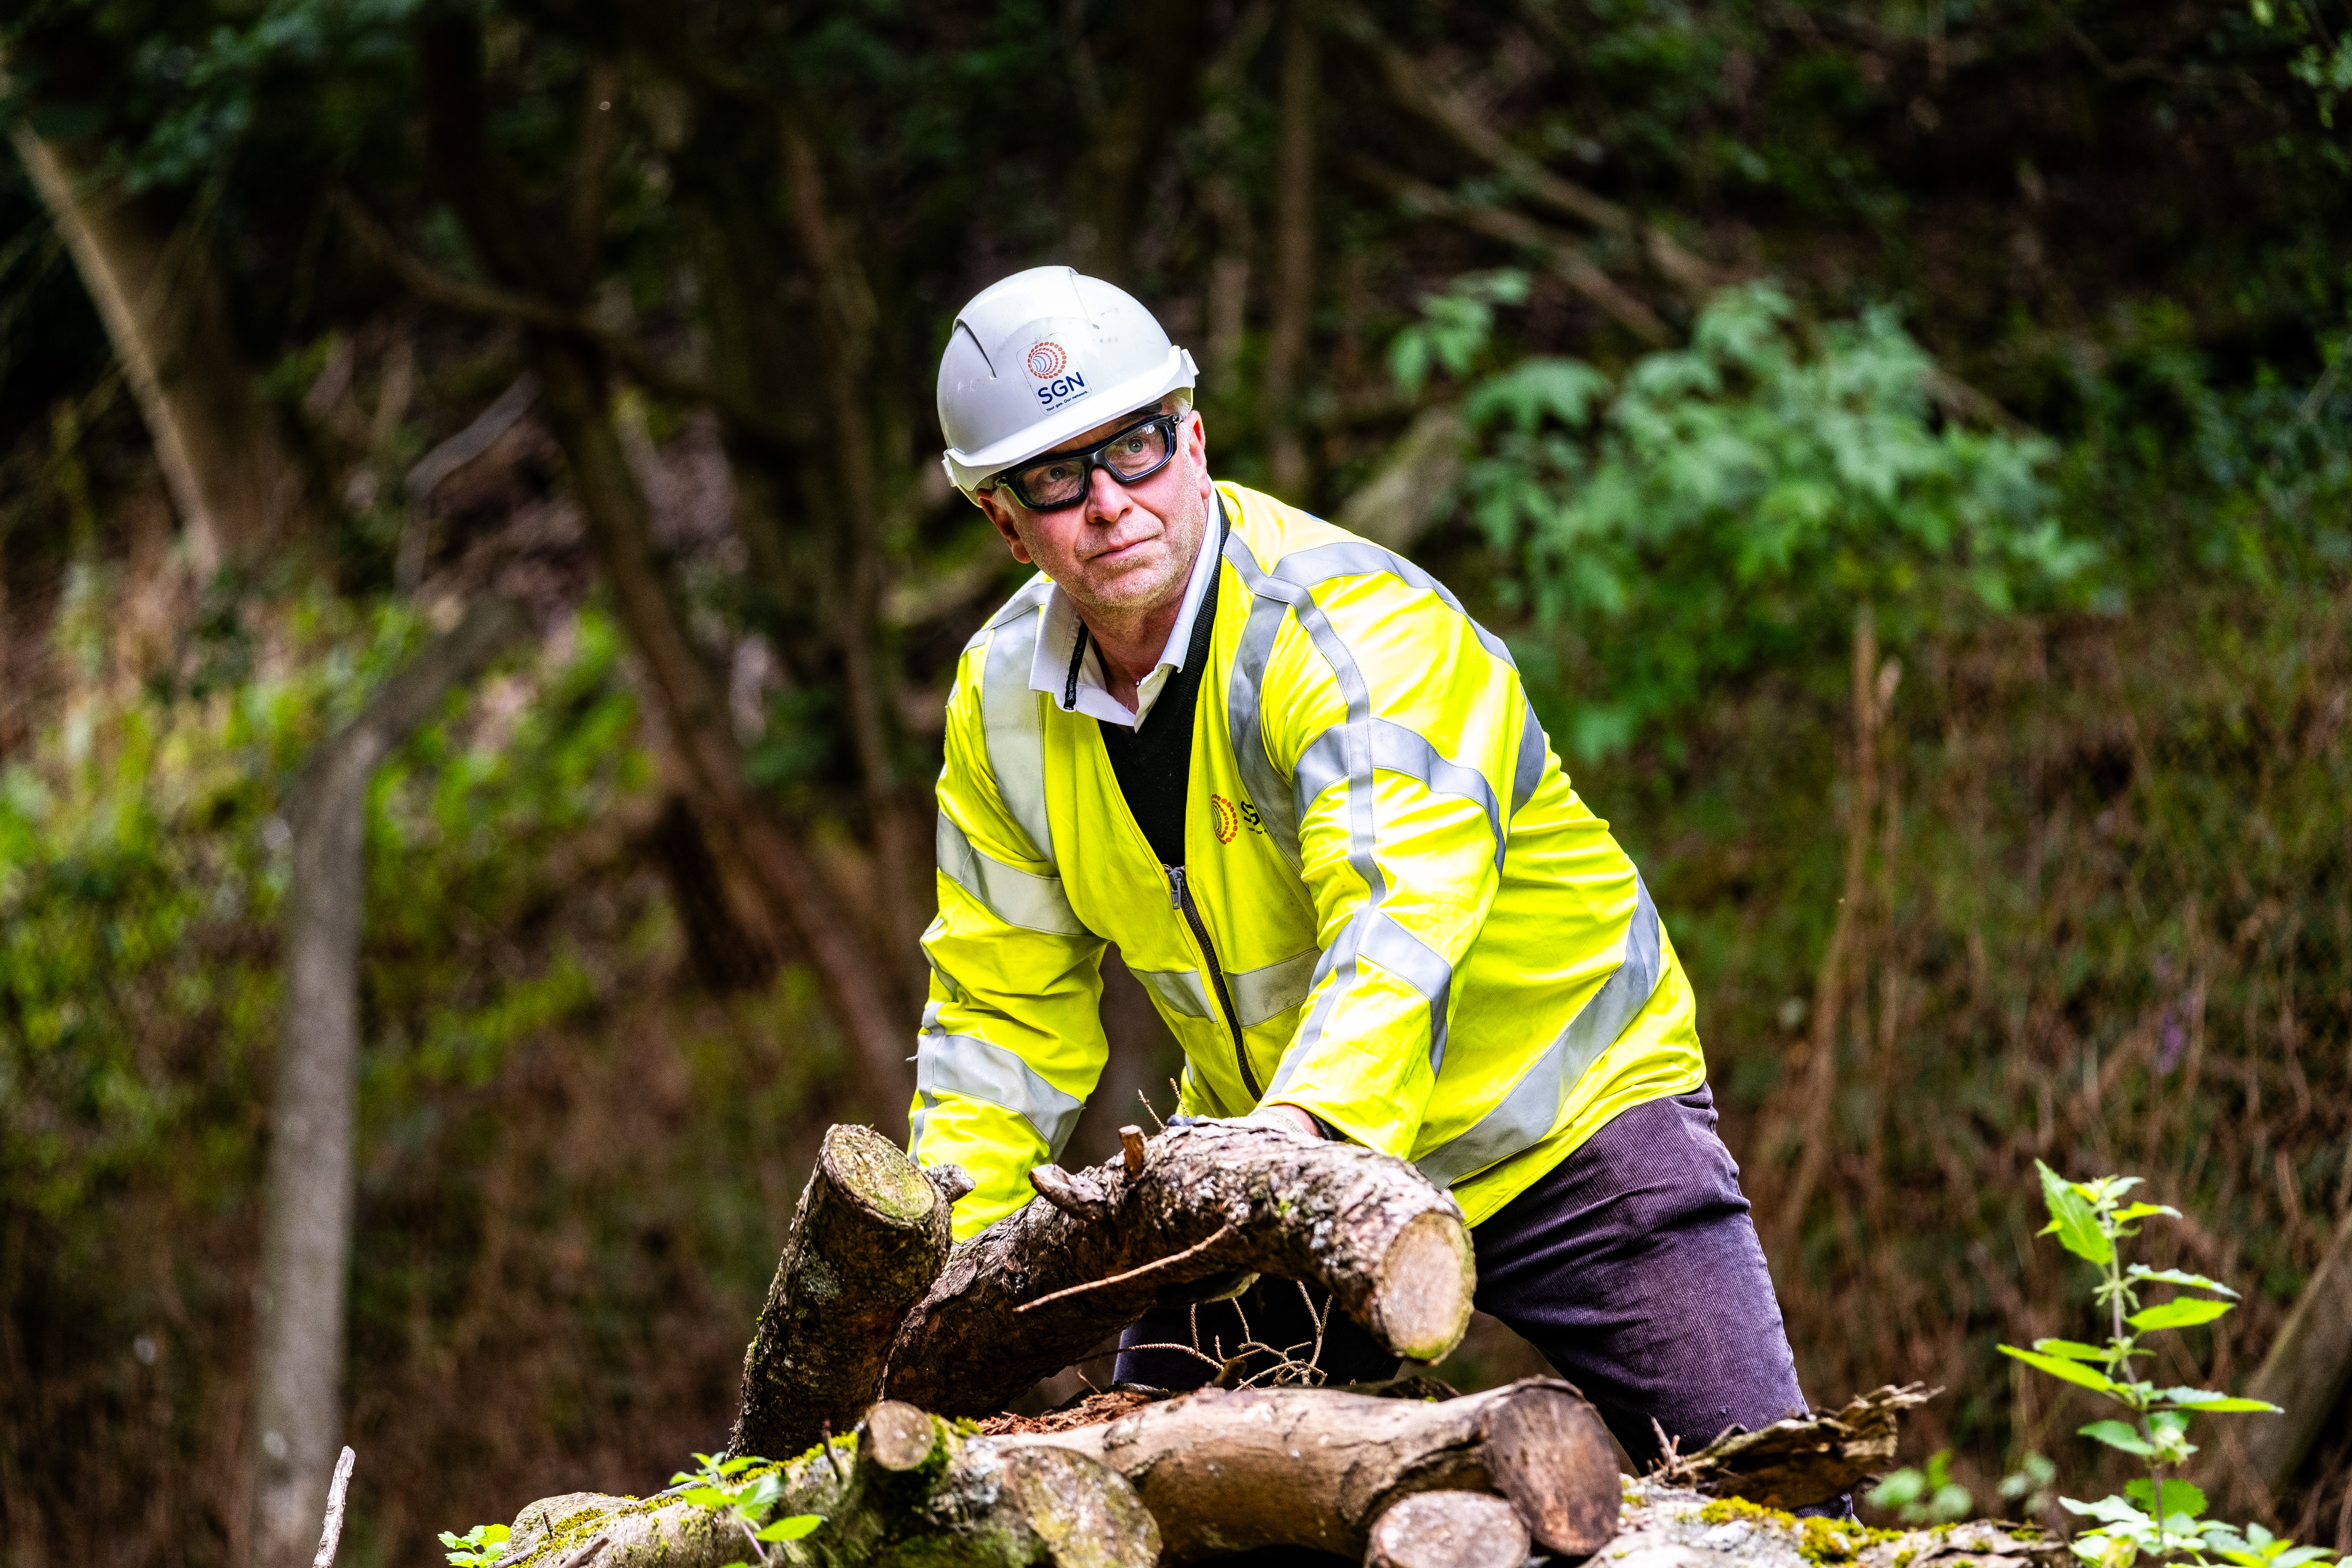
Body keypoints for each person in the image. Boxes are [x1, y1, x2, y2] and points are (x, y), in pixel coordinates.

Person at [911, 264, 1809, 1467]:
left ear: (1194, 436)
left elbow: (1400, 921)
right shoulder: (1002, 705)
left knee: (1770, 1503)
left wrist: (1290, 1157)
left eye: (1133, 448)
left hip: (1566, 1132)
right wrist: (946, 1273)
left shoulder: (1349, 629)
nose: (1111, 501)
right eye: (1059, 478)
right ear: (1003, 520)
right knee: (1146, 1504)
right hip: (1272, 1159)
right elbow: (1001, 1016)